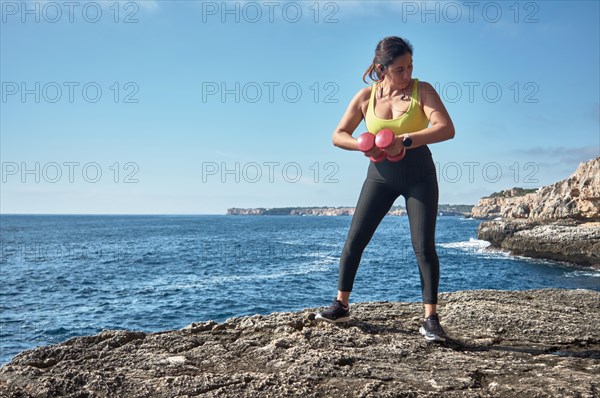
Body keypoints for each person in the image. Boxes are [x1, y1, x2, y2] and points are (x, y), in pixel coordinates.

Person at [315, 36, 455, 342]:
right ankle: (341, 304)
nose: (407, 76)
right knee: (356, 239)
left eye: (410, 67)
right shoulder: (366, 97)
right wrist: (361, 145)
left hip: (419, 173)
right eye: (400, 70)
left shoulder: (423, 90)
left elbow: (446, 128)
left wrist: (403, 140)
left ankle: (430, 319)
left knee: (423, 246)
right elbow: (338, 135)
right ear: (382, 69)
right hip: (380, 173)